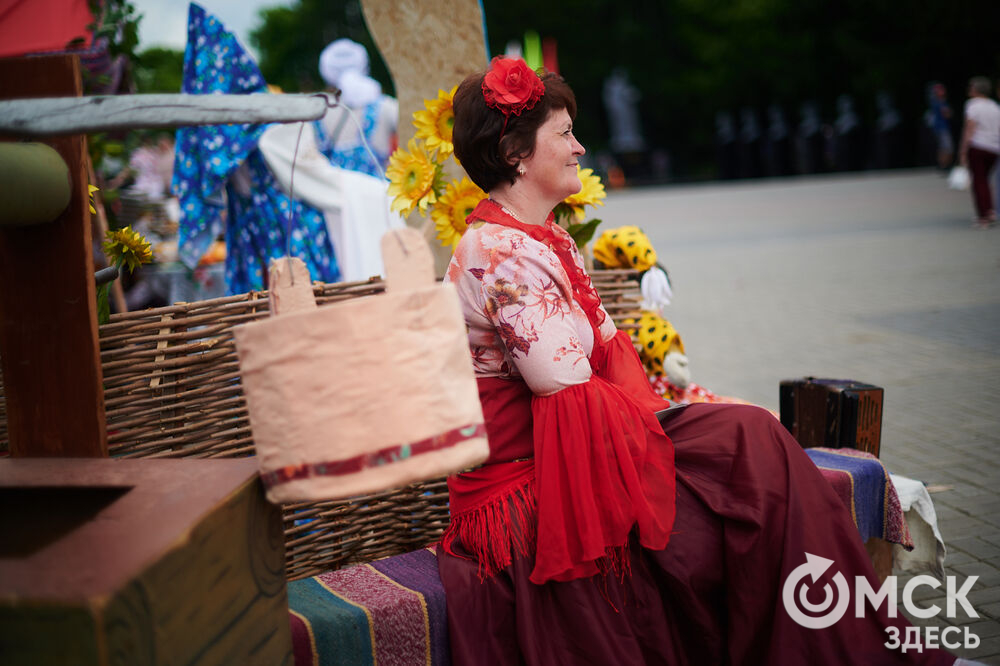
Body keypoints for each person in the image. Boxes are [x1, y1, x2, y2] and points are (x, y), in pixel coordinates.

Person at [436, 57, 961, 665]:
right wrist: (673, 443)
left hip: (578, 444)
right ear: (515, 154)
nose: (580, 148)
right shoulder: (498, 250)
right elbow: (571, 388)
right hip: (529, 481)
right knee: (738, 470)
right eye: (565, 134)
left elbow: (610, 363)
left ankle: (844, 647)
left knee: (751, 437)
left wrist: (682, 423)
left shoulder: (539, 237)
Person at [315, 38, 398, 177]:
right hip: (379, 196)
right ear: (363, 65)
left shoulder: (317, 112)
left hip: (332, 197)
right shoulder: (383, 105)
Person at [959, 76, 1000, 228]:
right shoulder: (994, 106)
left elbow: (970, 127)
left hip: (978, 146)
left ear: (976, 90)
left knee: (979, 181)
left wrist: (963, 149)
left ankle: (983, 216)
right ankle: (990, 211)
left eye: (971, 87)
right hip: (994, 148)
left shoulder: (973, 105)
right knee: (986, 181)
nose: (969, 90)